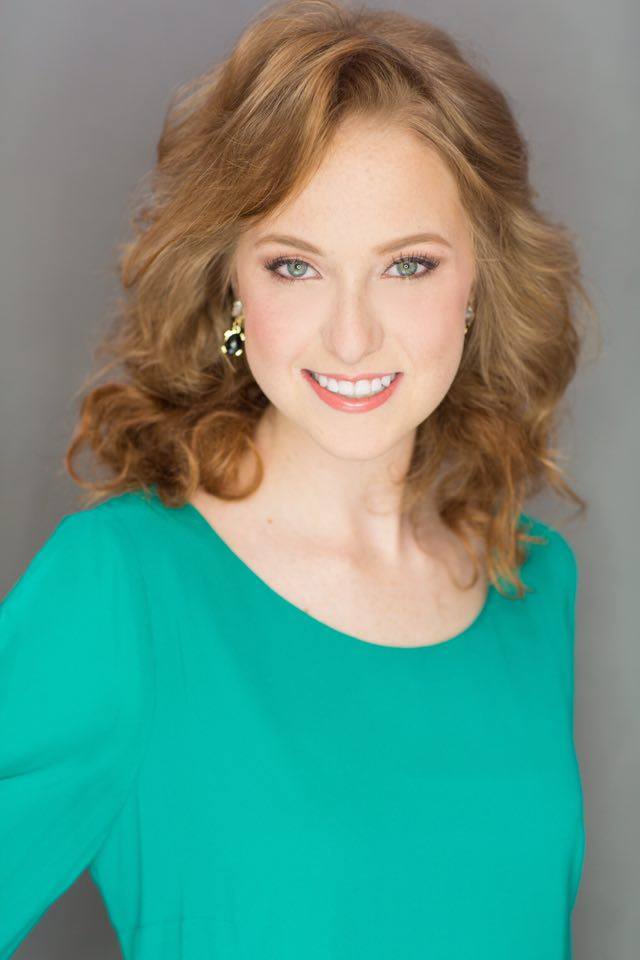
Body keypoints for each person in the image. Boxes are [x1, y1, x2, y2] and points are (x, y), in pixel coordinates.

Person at [0, 0, 595, 957]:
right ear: (231, 284)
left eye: (408, 265)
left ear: (479, 280)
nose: (352, 337)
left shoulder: (531, 583)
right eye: (295, 266)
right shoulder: (123, 588)